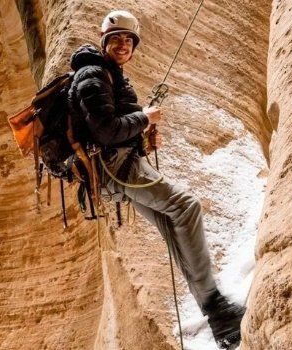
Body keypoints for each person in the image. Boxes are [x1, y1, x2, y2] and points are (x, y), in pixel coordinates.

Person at [68, 10, 245, 349]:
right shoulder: (93, 75)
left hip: (118, 166)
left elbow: (113, 127)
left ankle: (219, 317)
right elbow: (106, 130)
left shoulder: (109, 75)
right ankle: (216, 307)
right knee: (186, 207)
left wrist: (142, 135)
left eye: (128, 40)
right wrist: (144, 119)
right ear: (104, 41)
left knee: (171, 222)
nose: (122, 45)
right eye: (116, 39)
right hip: (118, 168)